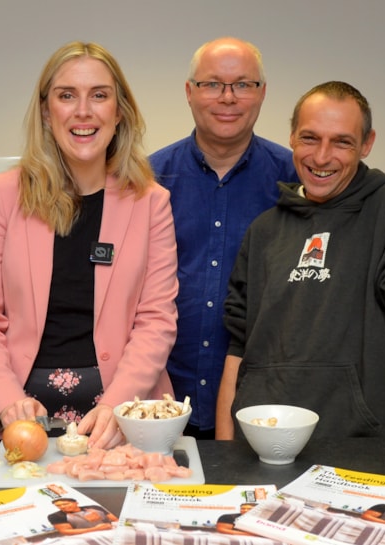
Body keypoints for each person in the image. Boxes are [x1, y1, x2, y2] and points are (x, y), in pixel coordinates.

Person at [214, 81, 385, 488]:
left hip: (364, 453)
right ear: (292, 135)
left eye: (342, 142)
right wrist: (226, 453)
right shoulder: (264, 231)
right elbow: (237, 351)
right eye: (309, 138)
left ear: (367, 144)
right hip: (263, 456)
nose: (322, 157)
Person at [0, 41, 178, 449]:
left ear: (119, 110)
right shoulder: (3, 195)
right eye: (66, 95)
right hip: (14, 419)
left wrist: (118, 406)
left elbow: (156, 321)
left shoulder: (151, 203)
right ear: (45, 110)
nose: (83, 111)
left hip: (122, 418)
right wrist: (9, 402)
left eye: (99, 95)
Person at [149, 37, 297, 439]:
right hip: (159, 403)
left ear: (263, 93)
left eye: (243, 84)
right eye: (212, 84)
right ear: (189, 92)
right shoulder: (146, 180)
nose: (228, 98)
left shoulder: (296, 180)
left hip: (265, 406)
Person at [47, 498, 117, 535]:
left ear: (76, 503)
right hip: (83, 536)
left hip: (110, 531)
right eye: (58, 506)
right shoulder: (55, 516)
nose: (62, 507)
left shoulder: (95, 507)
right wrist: (96, 529)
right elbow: (66, 531)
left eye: (65, 504)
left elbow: (115, 520)